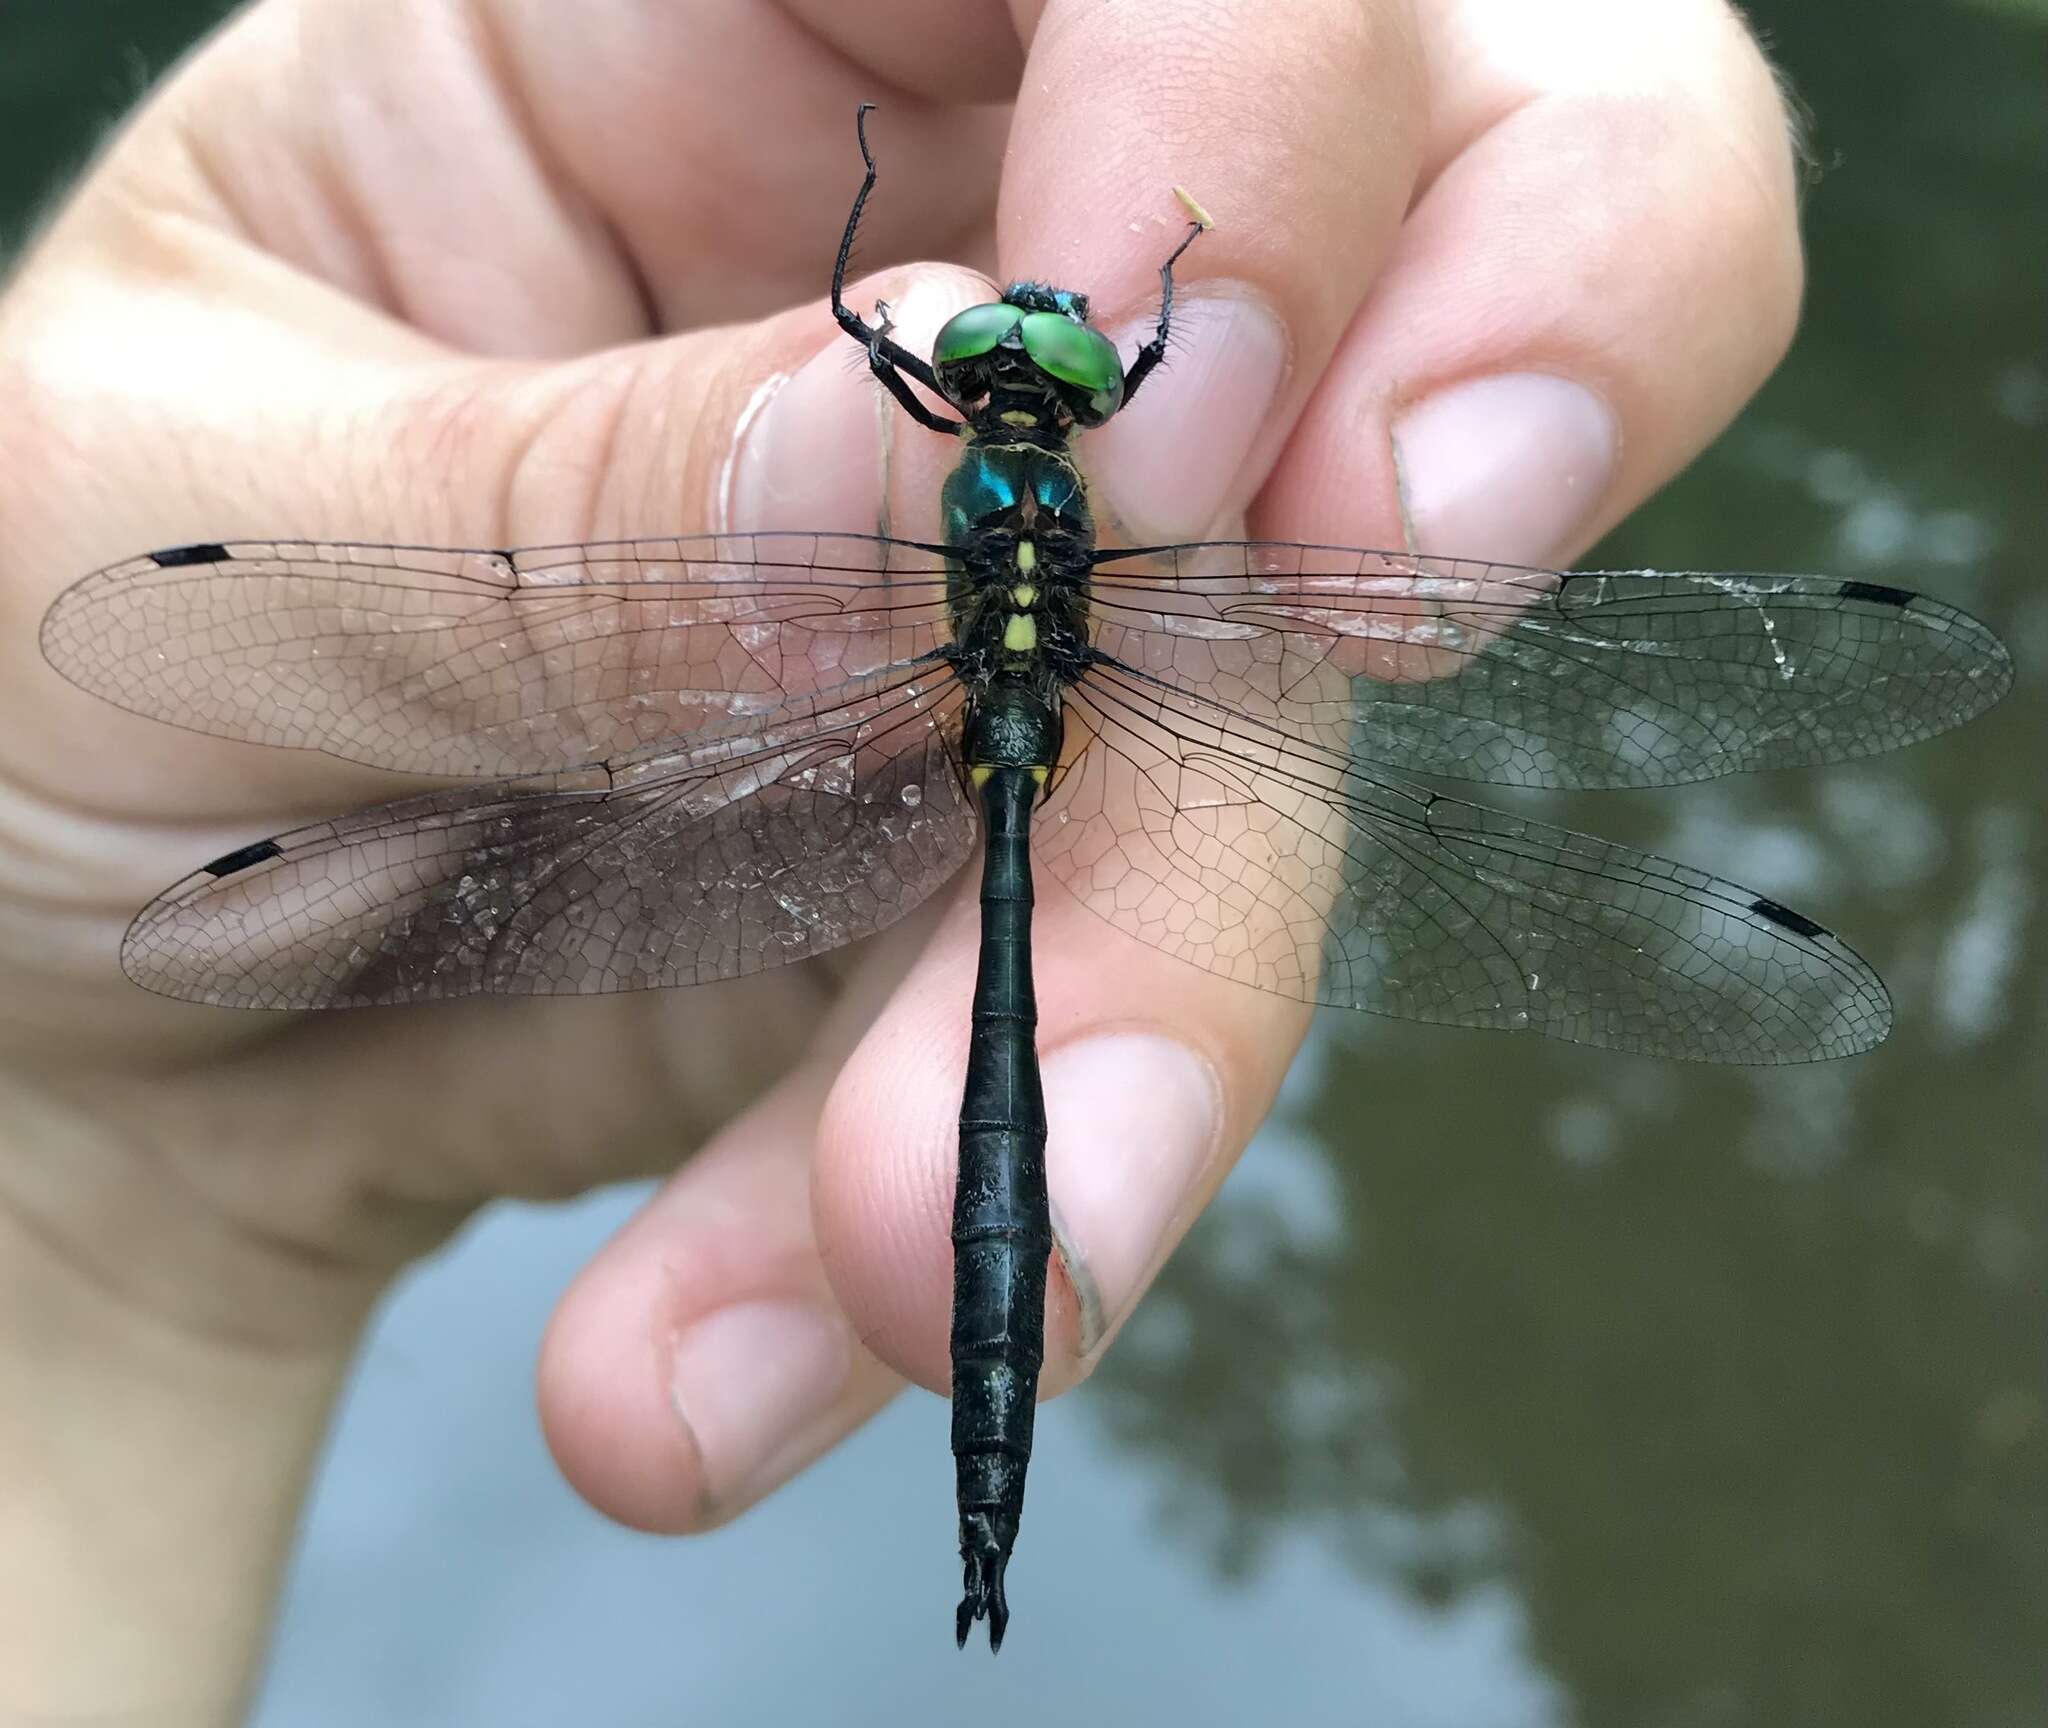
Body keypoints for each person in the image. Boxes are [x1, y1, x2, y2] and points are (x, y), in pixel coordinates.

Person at [0, 0, 1807, 1712]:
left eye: (1052, 343)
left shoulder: (928, 431)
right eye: (1013, 345)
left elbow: (870, 318)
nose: (1019, 341)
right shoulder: (1093, 478)